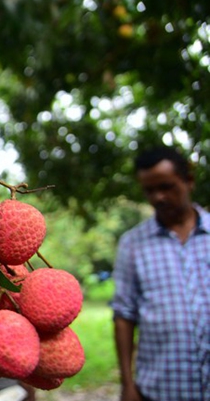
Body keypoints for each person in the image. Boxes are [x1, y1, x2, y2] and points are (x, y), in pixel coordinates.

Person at [111, 146, 210, 401]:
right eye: (149, 190)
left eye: (166, 187)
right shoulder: (132, 243)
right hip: (160, 389)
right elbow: (124, 314)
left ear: (188, 181)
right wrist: (127, 383)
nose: (158, 198)